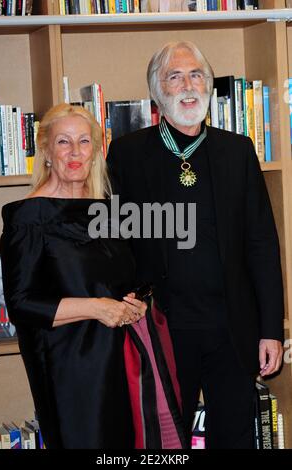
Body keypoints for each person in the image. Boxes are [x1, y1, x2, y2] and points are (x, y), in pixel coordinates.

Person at [107, 41, 284, 449]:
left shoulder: (237, 151)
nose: (188, 85)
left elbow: (261, 243)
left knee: (236, 438)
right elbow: (114, 243)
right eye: (175, 76)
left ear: (208, 85)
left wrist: (271, 329)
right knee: (167, 444)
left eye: (196, 75)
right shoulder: (127, 154)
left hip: (233, 330)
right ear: (157, 91)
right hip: (164, 330)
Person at [0, 103, 186, 449]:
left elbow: (119, 279)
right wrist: (98, 307)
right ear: (47, 152)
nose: (75, 152)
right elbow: (22, 305)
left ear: (96, 151)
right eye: (64, 142)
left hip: (120, 360)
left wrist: (134, 303)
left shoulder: (106, 208)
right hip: (69, 368)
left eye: (84, 142)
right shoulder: (28, 218)